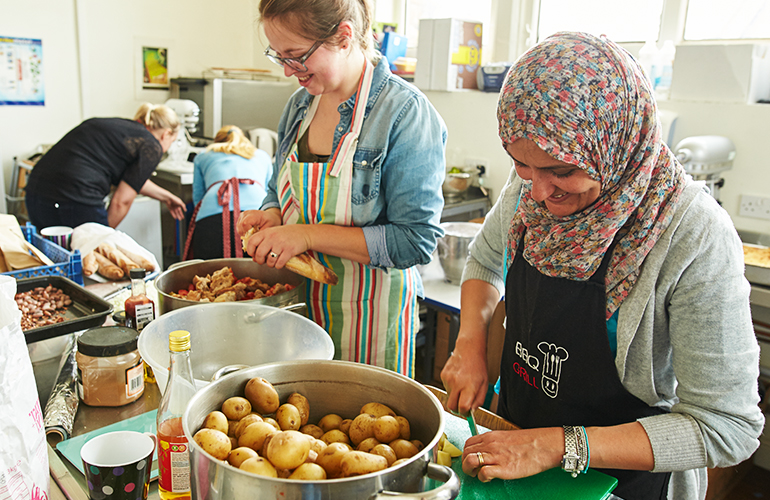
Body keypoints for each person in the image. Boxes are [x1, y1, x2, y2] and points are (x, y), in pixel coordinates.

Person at [440, 32, 764, 500]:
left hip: (622, 486)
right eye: (522, 166)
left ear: (614, 144)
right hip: (512, 455)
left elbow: (727, 426)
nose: (537, 194)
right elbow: (485, 259)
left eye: (561, 172)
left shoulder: (692, 235)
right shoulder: (533, 181)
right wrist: (469, 342)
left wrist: (556, 446)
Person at [237, 0, 447, 378]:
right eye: (278, 55)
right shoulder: (299, 107)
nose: (287, 70)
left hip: (369, 325)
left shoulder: (404, 114)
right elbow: (276, 188)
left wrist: (304, 235)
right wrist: (270, 215)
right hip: (298, 321)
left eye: (296, 56)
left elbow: (414, 241)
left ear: (343, 36)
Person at [25, 103, 187, 230]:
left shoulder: (117, 128)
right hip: (75, 199)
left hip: (36, 194)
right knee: (91, 261)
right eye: (171, 143)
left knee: (54, 258)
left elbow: (134, 181)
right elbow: (121, 202)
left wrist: (167, 197)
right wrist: (103, 238)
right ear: (166, 134)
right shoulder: (151, 145)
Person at [183, 125, 273, 260]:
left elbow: (198, 197)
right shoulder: (262, 155)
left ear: (216, 142)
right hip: (256, 213)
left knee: (210, 270)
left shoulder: (203, 155)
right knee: (259, 270)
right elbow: (270, 192)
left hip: (212, 213)